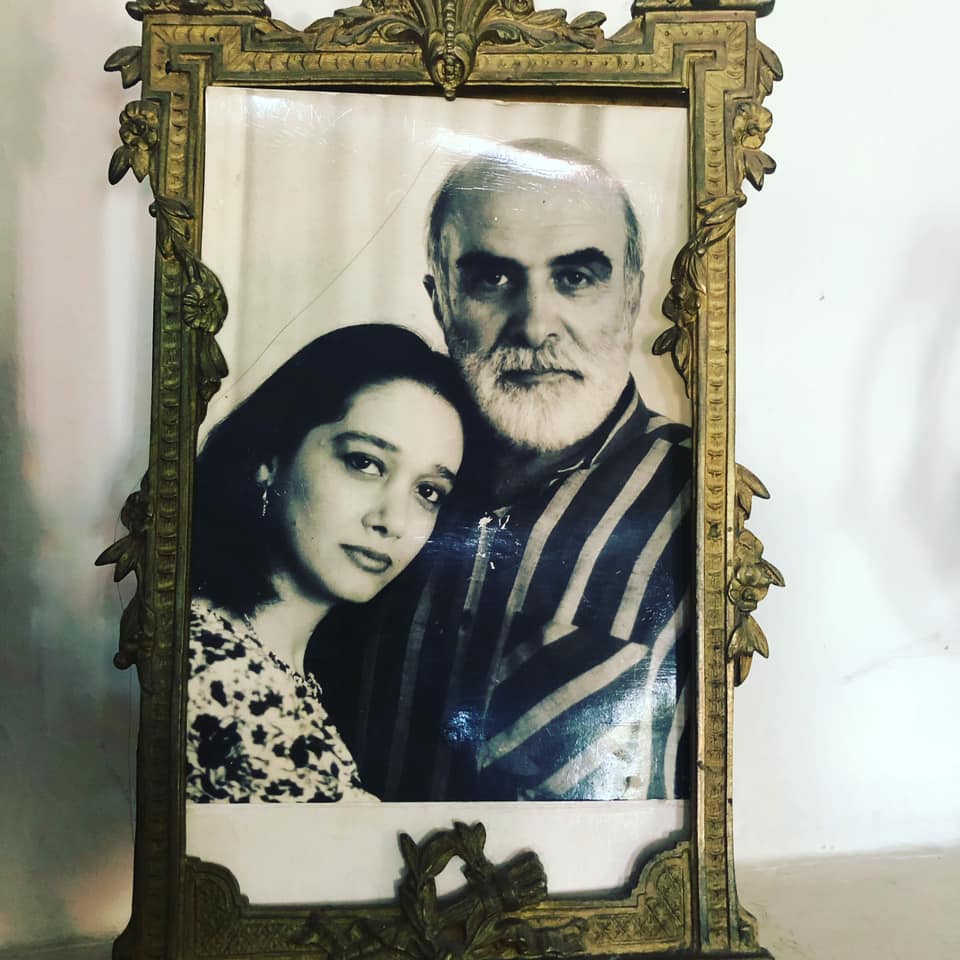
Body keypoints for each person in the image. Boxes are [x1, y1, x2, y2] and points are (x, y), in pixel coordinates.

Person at [309, 140, 692, 802]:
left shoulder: (703, 503)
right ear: (440, 301)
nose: (535, 325)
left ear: (631, 294)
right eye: (492, 280)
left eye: (576, 278)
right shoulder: (361, 477)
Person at [186, 324, 466, 802]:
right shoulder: (215, 672)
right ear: (270, 458)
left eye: (428, 491)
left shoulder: (276, 666)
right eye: (365, 463)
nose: (394, 521)